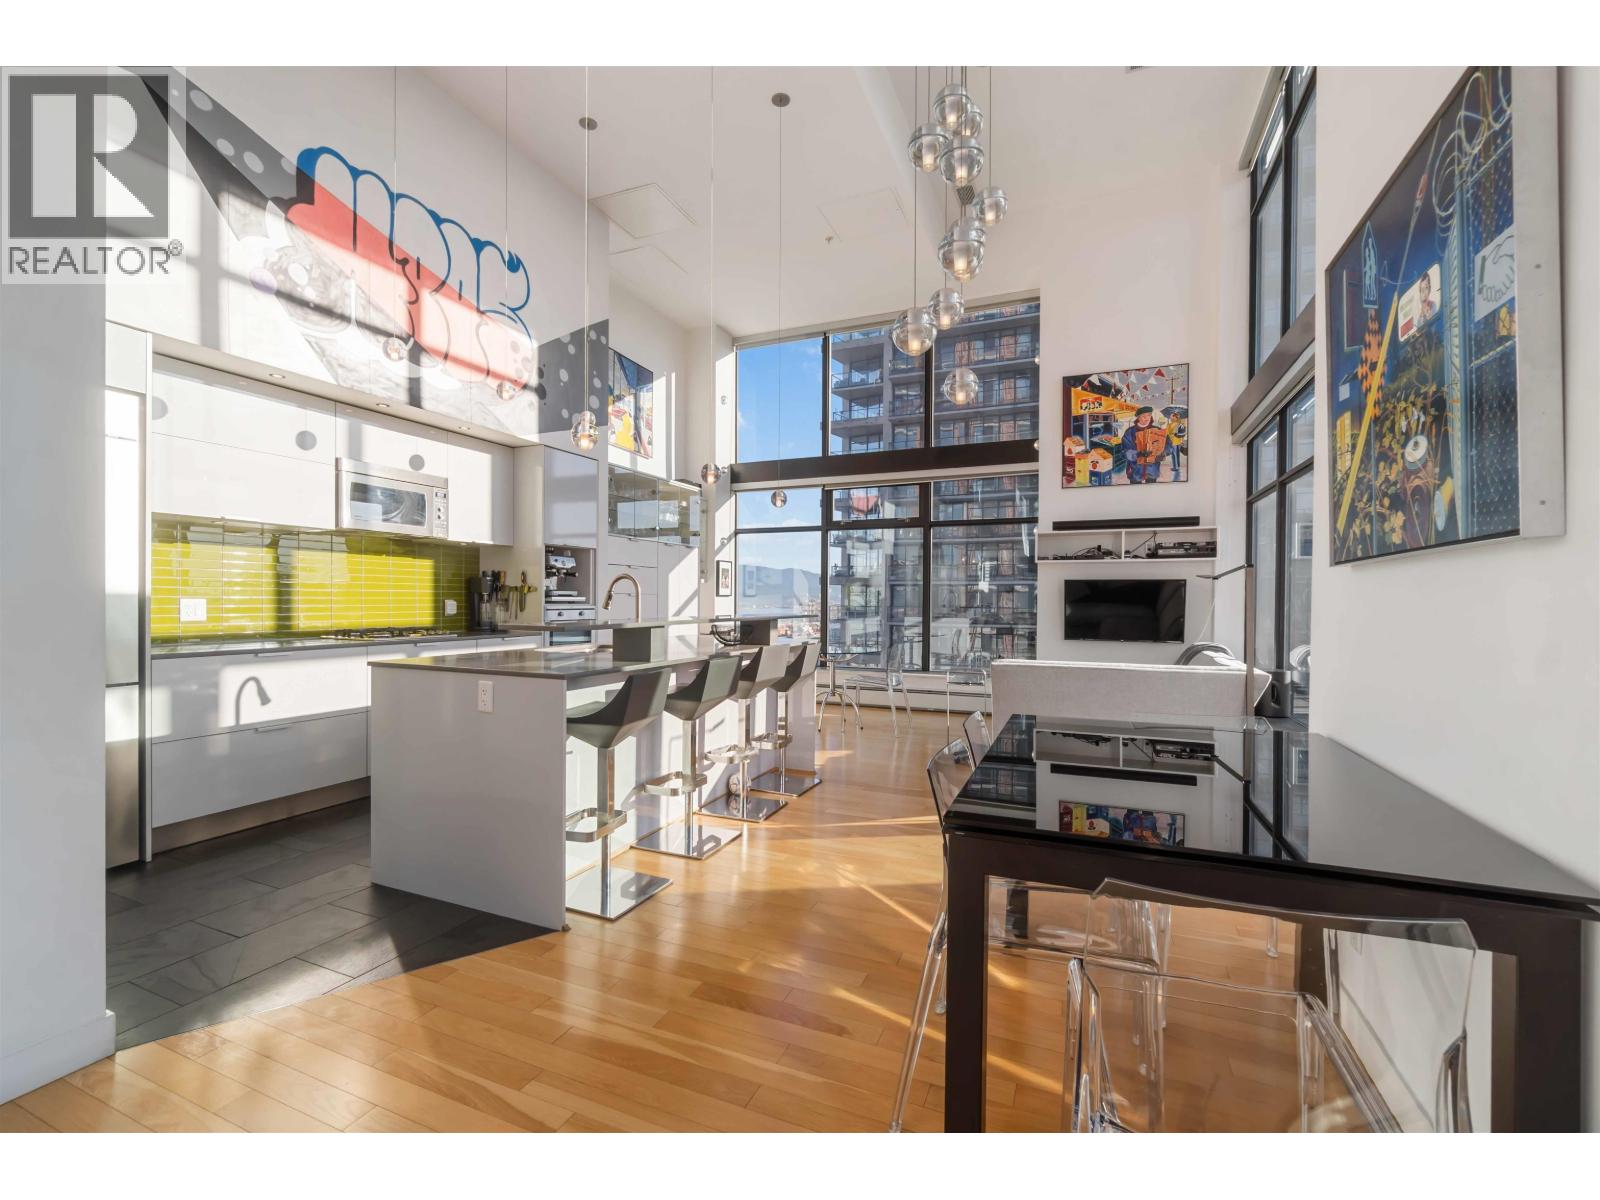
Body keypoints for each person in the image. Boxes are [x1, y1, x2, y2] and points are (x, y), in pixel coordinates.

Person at [1121, 406, 1168, 483]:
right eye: (1143, 416)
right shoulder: (1130, 432)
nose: (1147, 418)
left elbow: (1168, 445)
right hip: (1135, 470)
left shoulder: (1157, 430)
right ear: (1138, 417)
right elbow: (1124, 452)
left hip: (1152, 470)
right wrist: (1139, 454)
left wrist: (1163, 453)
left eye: (1149, 415)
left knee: (1151, 489)